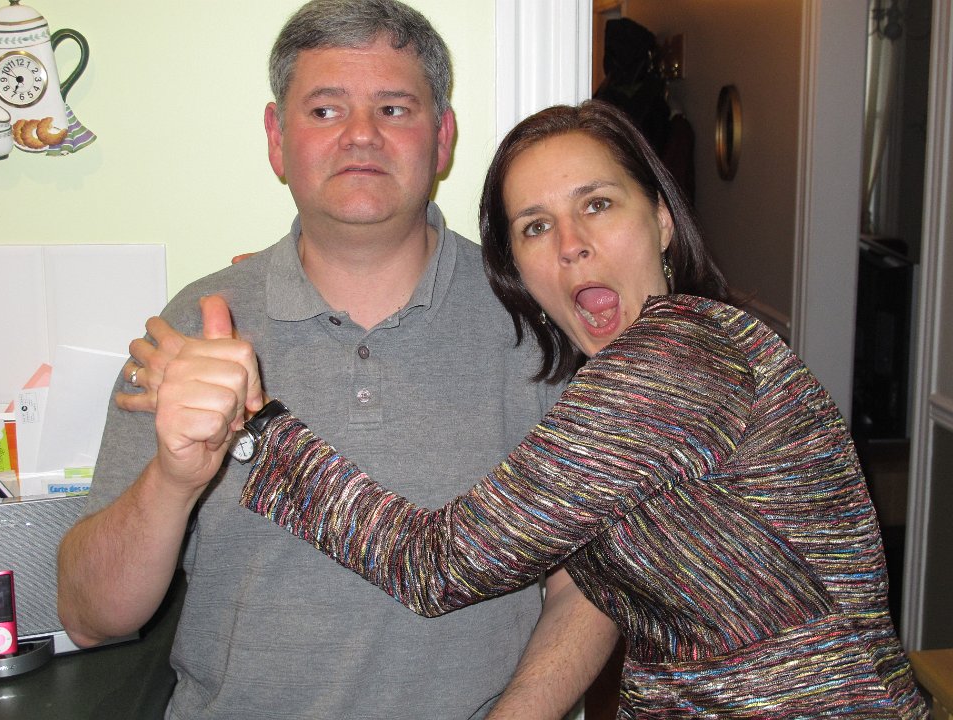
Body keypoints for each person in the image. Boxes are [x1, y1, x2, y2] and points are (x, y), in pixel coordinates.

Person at [162, 100, 927, 718]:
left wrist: (255, 422)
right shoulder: (633, 377)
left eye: (598, 204)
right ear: (519, 269)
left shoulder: (676, 359)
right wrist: (322, 277)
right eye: (535, 226)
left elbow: (437, 563)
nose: (571, 244)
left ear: (661, 221)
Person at [56, 3, 618, 719]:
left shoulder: (537, 320)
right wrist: (173, 478)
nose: (360, 135)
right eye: (325, 110)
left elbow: (591, 584)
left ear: (442, 137)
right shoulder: (192, 328)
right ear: (276, 139)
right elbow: (89, 616)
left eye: (393, 108)